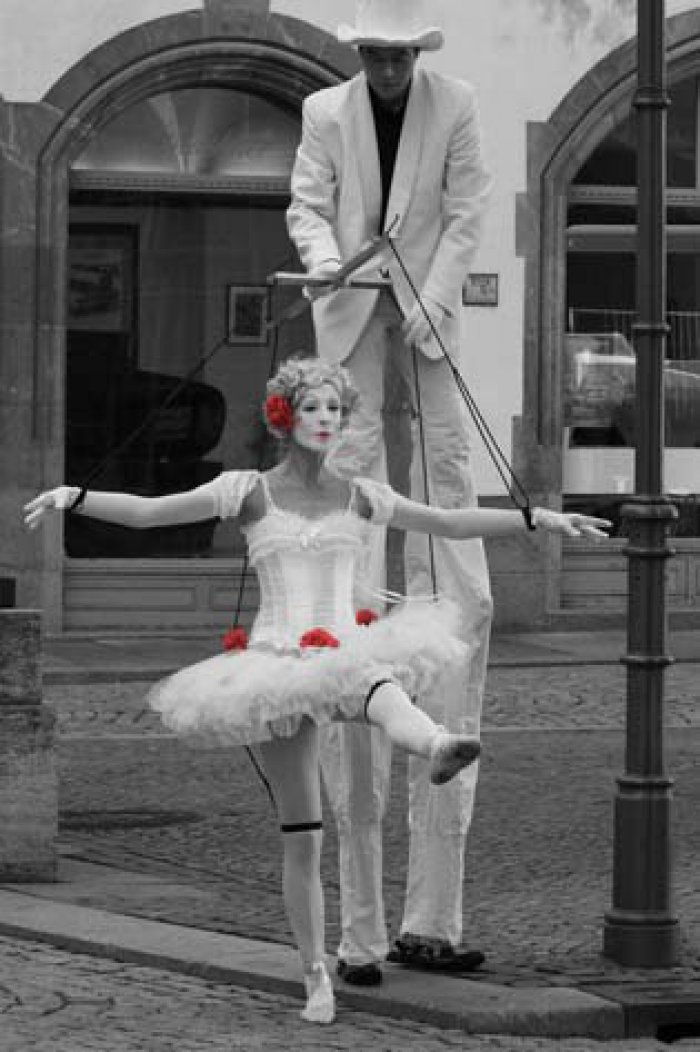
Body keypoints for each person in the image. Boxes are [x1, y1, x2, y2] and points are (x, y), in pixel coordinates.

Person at [23, 357, 609, 1026]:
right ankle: (314, 975)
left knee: (375, 683)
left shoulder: (361, 495)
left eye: (334, 408)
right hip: (275, 668)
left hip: (342, 651)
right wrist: (74, 497)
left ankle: (438, 744)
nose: (326, 419)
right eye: (312, 408)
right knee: (304, 837)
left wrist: (538, 519)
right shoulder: (249, 491)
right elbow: (150, 512)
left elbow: (448, 523)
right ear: (285, 416)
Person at [286, 0, 495, 982]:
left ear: (417, 53)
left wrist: (430, 295)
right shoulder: (324, 112)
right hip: (348, 313)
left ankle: (431, 921)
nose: (387, 71)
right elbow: (306, 202)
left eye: (399, 56)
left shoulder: (456, 104)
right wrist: (330, 265)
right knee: (353, 473)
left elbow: (467, 209)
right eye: (375, 55)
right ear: (360, 52)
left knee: (449, 477)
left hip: (427, 319)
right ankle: (359, 933)